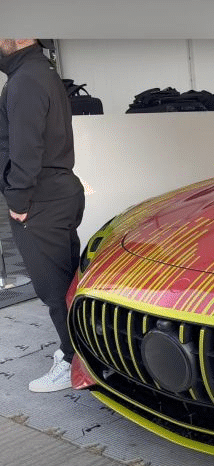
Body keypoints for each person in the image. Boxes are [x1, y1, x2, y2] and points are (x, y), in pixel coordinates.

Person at [0, 38, 85, 391]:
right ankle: (84, 353)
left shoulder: (26, 80)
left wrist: (18, 201)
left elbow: (26, 148)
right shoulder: (40, 72)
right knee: (68, 285)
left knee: (53, 290)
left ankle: (71, 360)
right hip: (58, 194)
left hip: (41, 203)